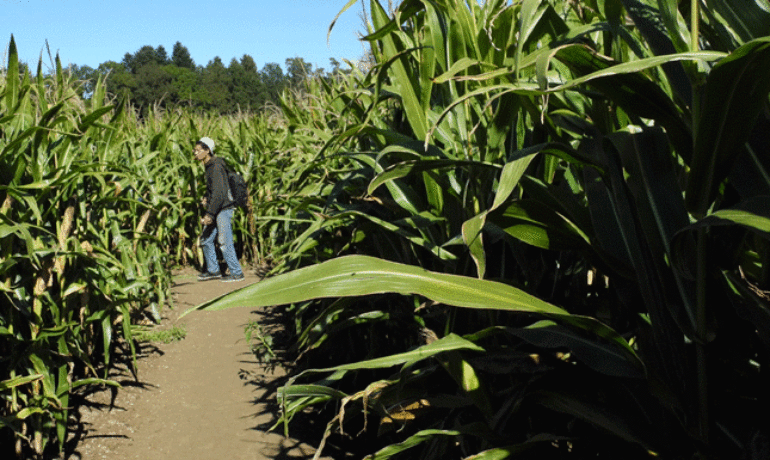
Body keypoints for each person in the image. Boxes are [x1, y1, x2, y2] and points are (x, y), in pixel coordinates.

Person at [193, 137, 244, 282]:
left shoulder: (215, 167)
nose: (195, 153)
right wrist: (206, 198)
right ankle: (213, 270)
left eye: (198, 150)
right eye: (194, 150)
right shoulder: (209, 166)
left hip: (223, 209)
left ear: (207, 150)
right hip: (217, 207)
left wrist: (210, 213)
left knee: (224, 240)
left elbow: (220, 193)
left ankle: (236, 272)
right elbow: (213, 189)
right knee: (206, 239)